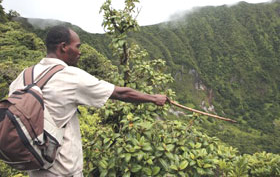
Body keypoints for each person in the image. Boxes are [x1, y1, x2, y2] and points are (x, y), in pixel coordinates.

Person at [9, 25, 167, 177]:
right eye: (77, 46)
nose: (80, 52)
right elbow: (121, 93)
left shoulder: (23, 76)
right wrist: (154, 98)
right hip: (63, 170)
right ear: (63, 47)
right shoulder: (70, 77)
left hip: (35, 167)